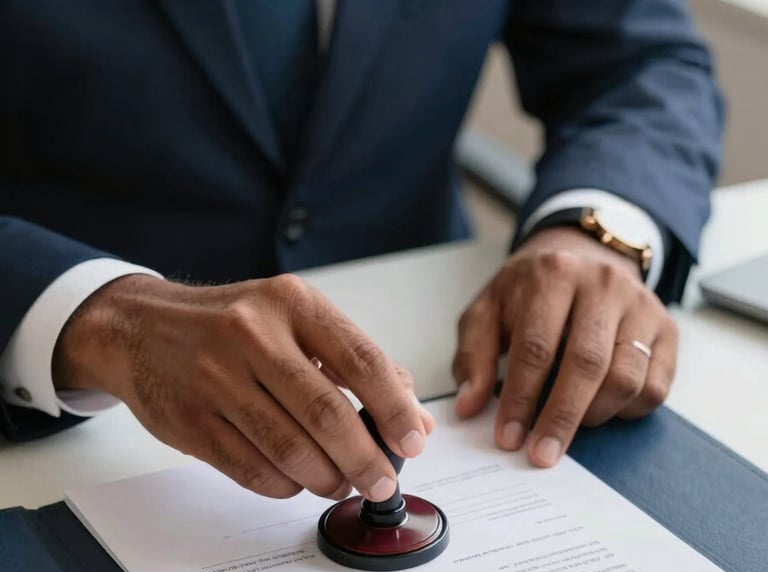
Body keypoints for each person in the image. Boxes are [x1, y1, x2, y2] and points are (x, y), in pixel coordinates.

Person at [0, 2, 722, 504]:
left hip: (452, 377)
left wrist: (596, 228)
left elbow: (640, 60)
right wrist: (98, 319)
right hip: (74, 440)